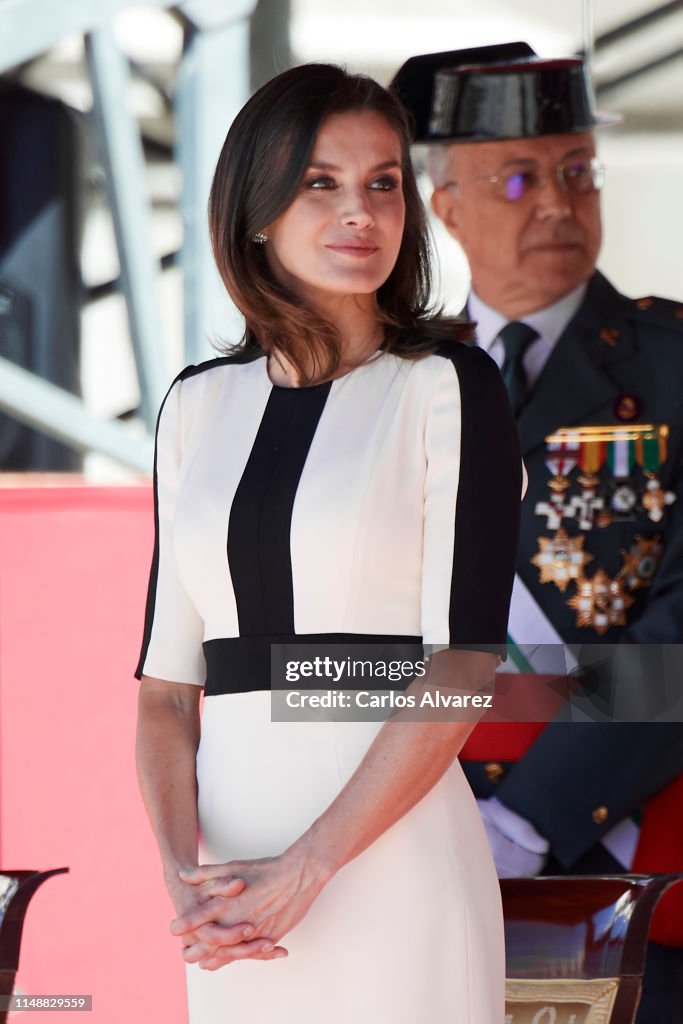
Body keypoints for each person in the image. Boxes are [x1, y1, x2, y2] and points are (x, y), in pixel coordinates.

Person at [134, 63, 523, 1024]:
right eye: (322, 182)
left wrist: (309, 866)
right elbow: (166, 693)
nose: (361, 211)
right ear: (256, 210)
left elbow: (465, 662)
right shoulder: (194, 405)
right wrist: (184, 879)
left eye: (382, 183)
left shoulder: (447, 387)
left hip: (393, 869)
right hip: (230, 901)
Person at [392, 44, 683, 1023]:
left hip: (624, 871)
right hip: (417, 853)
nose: (555, 204)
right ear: (446, 206)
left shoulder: (672, 369)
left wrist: (522, 821)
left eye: (575, 174)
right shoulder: (387, 387)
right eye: (517, 179)